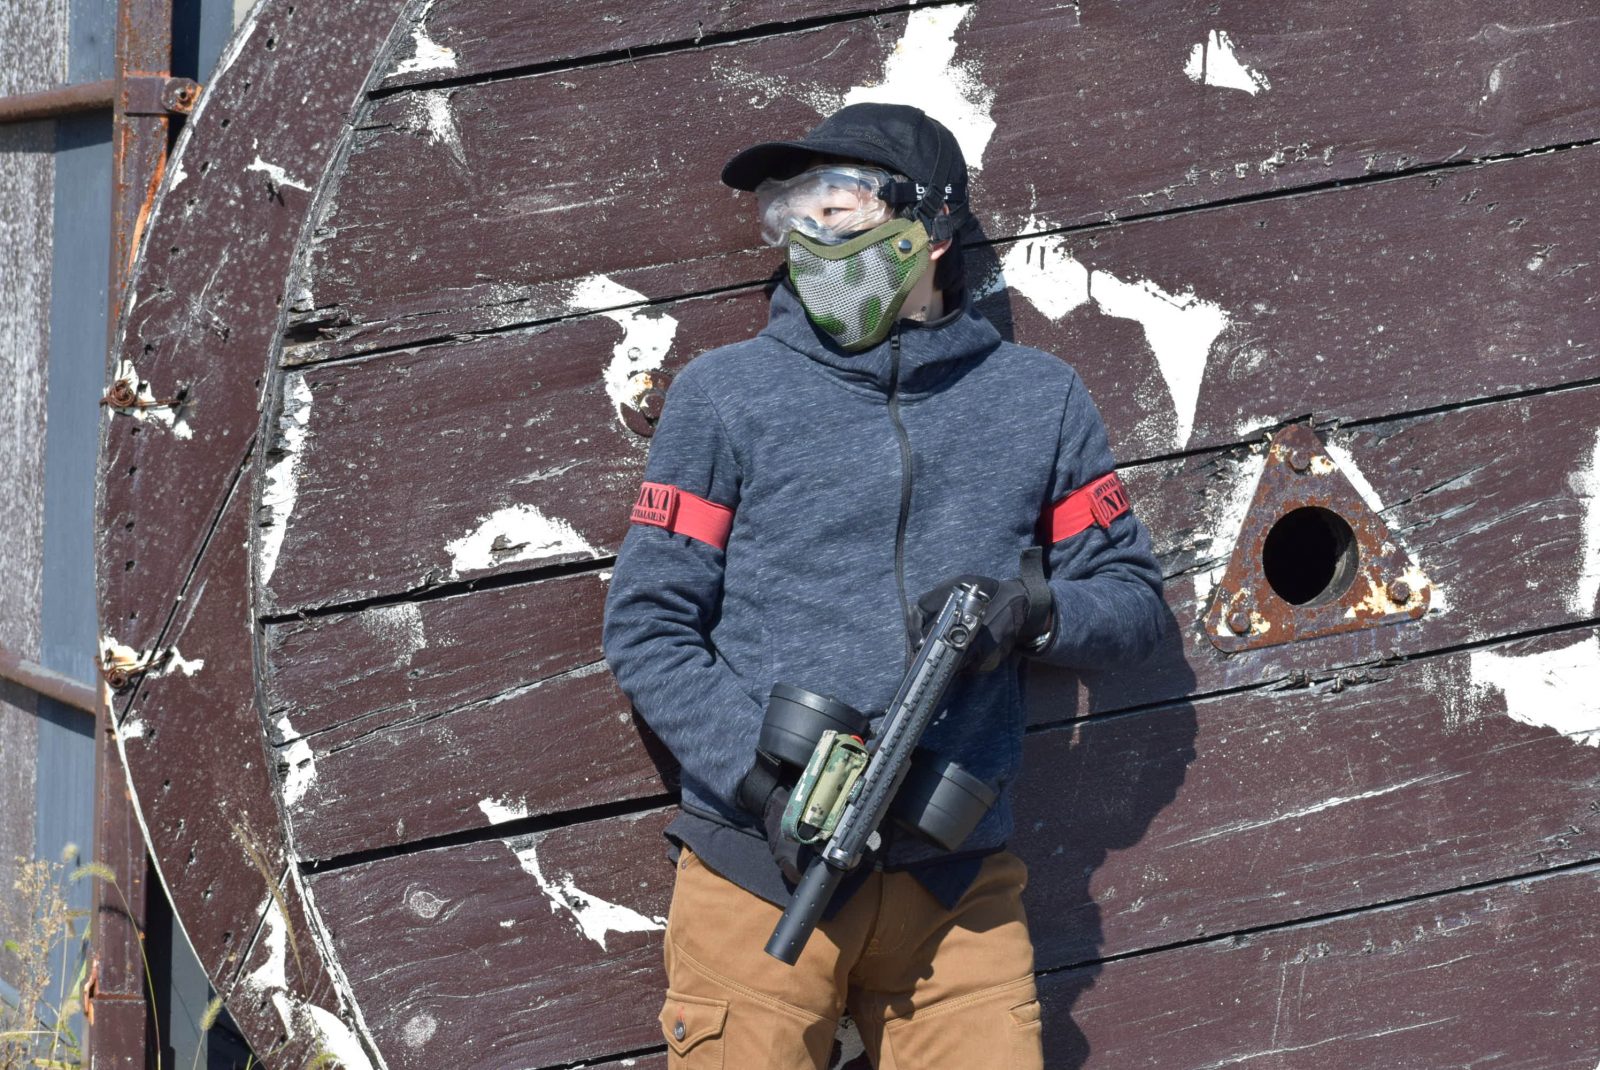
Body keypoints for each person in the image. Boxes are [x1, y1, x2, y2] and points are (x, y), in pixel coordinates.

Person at [602, 103, 1165, 1069]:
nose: (814, 237)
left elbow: (1132, 601)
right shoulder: (724, 396)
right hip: (758, 882)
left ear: (933, 229)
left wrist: (1031, 614)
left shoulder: (1040, 399)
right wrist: (762, 785)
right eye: (793, 214)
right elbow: (648, 625)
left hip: (955, 888)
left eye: (843, 210)